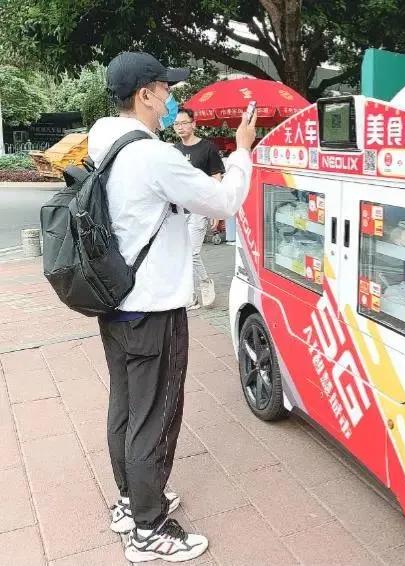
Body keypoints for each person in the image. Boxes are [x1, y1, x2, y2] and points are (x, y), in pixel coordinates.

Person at [87, 51, 256, 563]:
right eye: (165, 89)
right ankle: (149, 529)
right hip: (152, 306)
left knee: (125, 407)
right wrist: (243, 150)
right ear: (144, 95)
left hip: (114, 300)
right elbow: (225, 201)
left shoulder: (103, 138)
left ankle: (129, 501)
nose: (170, 98)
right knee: (154, 416)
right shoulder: (153, 155)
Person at [173, 108, 224, 310]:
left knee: (192, 253)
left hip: (199, 208)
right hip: (178, 209)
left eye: (184, 123)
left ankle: (205, 282)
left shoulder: (208, 148)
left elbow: (216, 179)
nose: (180, 127)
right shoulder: (174, 151)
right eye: (177, 124)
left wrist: (215, 211)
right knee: (181, 253)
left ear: (193, 124)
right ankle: (190, 296)